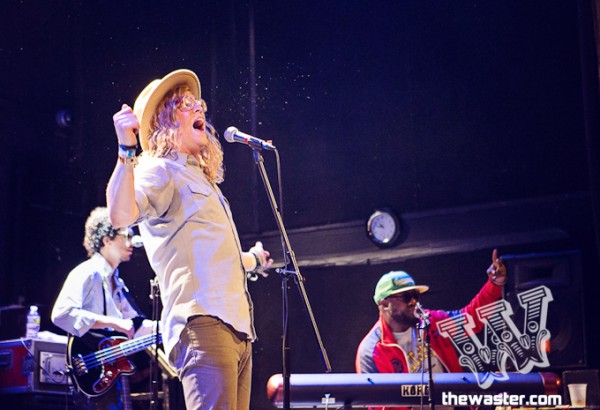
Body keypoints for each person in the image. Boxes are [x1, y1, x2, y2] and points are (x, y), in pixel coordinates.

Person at [106, 68, 273, 410]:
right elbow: (121, 216)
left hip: (237, 327)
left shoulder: (200, 178)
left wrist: (253, 260)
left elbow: (214, 256)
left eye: (199, 102)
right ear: (165, 121)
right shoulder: (159, 169)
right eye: (185, 103)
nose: (199, 108)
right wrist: (126, 149)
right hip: (204, 323)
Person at [355, 249, 506, 409]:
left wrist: (494, 285)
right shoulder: (371, 351)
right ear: (384, 304)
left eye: (416, 296)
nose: (413, 301)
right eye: (406, 297)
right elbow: (377, 405)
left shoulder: (429, 321)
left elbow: (471, 319)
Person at [51, 206, 155, 409]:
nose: (131, 242)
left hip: (113, 370)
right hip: (90, 368)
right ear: (106, 240)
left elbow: (135, 326)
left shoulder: (117, 281)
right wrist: (116, 323)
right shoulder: (87, 272)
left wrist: (169, 326)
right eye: (126, 235)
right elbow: (61, 314)